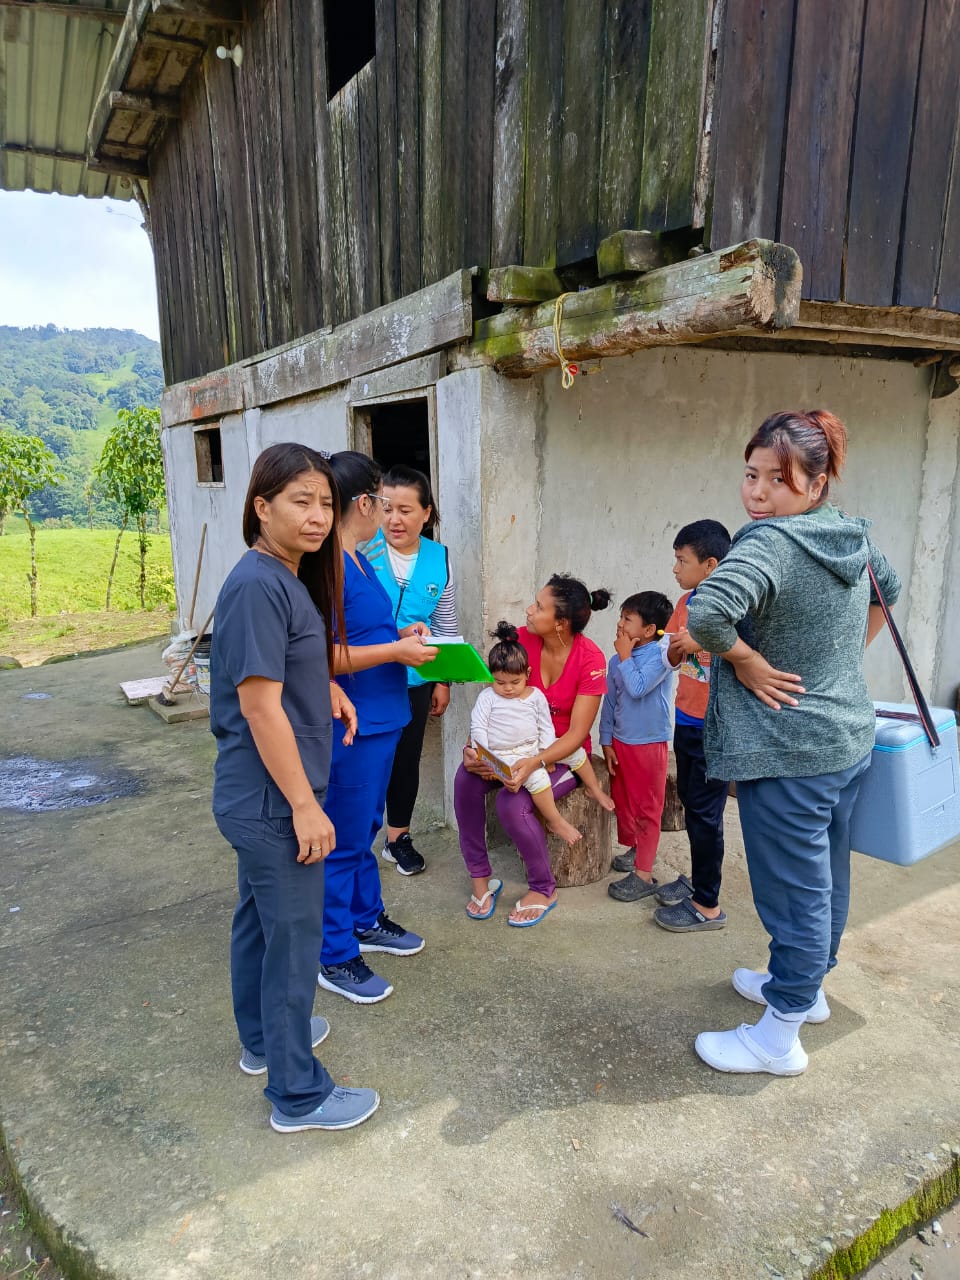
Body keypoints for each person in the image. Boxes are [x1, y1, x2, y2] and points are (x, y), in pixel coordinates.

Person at [686, 410, 900, 1076]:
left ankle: (778, 1035)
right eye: (751, 474)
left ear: (816, 482)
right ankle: (805, 991)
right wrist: (841, 663)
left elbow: (708, 613)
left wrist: (748, 661)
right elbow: (888, 591)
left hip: (788, 752)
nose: (758, 493)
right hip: (846, 740)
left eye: (778, 480)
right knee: (825, 875)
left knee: (793, 892)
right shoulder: (848, 533)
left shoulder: (769, 543)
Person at [209, 442, 379, 1132]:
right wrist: (306, 806)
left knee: (261, 922)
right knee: (294, 942)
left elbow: (281, 669)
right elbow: (257, 707)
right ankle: (298, 1094)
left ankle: (263, 1041)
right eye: (300, 501)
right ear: (262, 507)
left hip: (259, 796)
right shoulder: (259, 584)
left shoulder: (282, 576)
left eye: (325, 504)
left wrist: (324, 687)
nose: (317, 516)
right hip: (274, 800)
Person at [318, 451, 439, 1005]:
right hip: (355, 723)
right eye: (380, 500)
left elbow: (367, 631)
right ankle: (334, 953)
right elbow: (320, 655)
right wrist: (394, 650)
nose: (387, 511)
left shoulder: (359, 560)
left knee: (364, 830)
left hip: (384, 714)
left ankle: (365, 919)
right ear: (363, 502)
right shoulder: (330, 567)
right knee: (343, 841)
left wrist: (400, 634)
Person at [455, 574, 614, 927]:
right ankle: (481, 879)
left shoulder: (590, 659)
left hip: (558, 757)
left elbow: (576, 735)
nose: (529, 610)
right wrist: (473, 749)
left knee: (511, 804)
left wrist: (535, 762)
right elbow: (491, 701)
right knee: (465, 780)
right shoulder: (522, 641)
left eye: (539, 606)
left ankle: (543, 888)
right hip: (506, 751)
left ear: (561, 623)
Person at [363, 464, 459, 876]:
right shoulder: (361, 550)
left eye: (405, 510)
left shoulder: (440, 559)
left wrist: (443, 680)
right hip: (364, 674)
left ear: (427, 513)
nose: (394, 520)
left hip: (416, 678)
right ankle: (354, 840)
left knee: (406, 759)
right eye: (386, 508)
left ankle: (397, 837)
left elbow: (446, 624)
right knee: (367, 758)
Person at [651, 520, 735, 933]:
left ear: (710, 564)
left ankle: (707, 904)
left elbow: (744, 653)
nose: (675, 568)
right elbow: (670, 658)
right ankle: (700, 880)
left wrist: (700, 641)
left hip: (714, 728)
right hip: (685, 720)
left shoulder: (733, 606)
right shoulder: (685, 602)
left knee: (705, 813)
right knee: (690, 800)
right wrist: (672, 648)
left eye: (682, 560)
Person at [470, 621, 615, 856]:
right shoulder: (487, 698)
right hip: (506, 754)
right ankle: (554, 820)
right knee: (537, 778)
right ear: (492, 677)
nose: (508, 689)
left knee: (575, 752)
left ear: (527, 674)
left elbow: (545, 726)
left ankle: (593, 788)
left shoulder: (535, 695)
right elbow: (478, 728)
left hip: (535, 747)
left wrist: (547, 755)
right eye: (500, 682)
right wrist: (487, 757)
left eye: (515, 682)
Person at [602, 591, 676, 903]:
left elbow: (637, 687)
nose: (620, 624)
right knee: (626, 803)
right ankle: (637, 849)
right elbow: (610, 701)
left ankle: (644, 874)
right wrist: (606, 739)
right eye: (621, 617)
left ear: (648, 630)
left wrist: (624, 657)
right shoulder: (617, 660)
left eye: (627, 619)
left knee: (648, 808)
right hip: (622, 742)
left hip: (648, 744)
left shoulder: (661, 656)